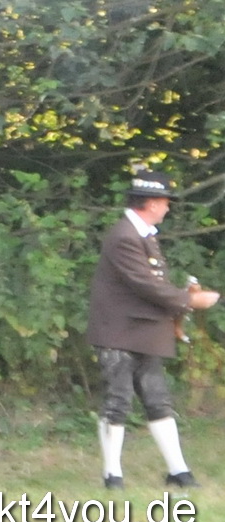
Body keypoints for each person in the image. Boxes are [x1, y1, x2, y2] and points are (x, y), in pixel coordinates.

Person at [86, 165, 220, 490]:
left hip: (144, 328)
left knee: (158, 399)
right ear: (151, 202)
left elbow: (152, 286)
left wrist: (180, 301)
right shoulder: (124, 236)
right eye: (165, 200)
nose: (168, 206)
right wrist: (191, 302)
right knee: (118, 400)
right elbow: (146, 286)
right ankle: (112, 475)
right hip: (119, 330)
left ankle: (179, 471)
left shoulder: (142, 234)